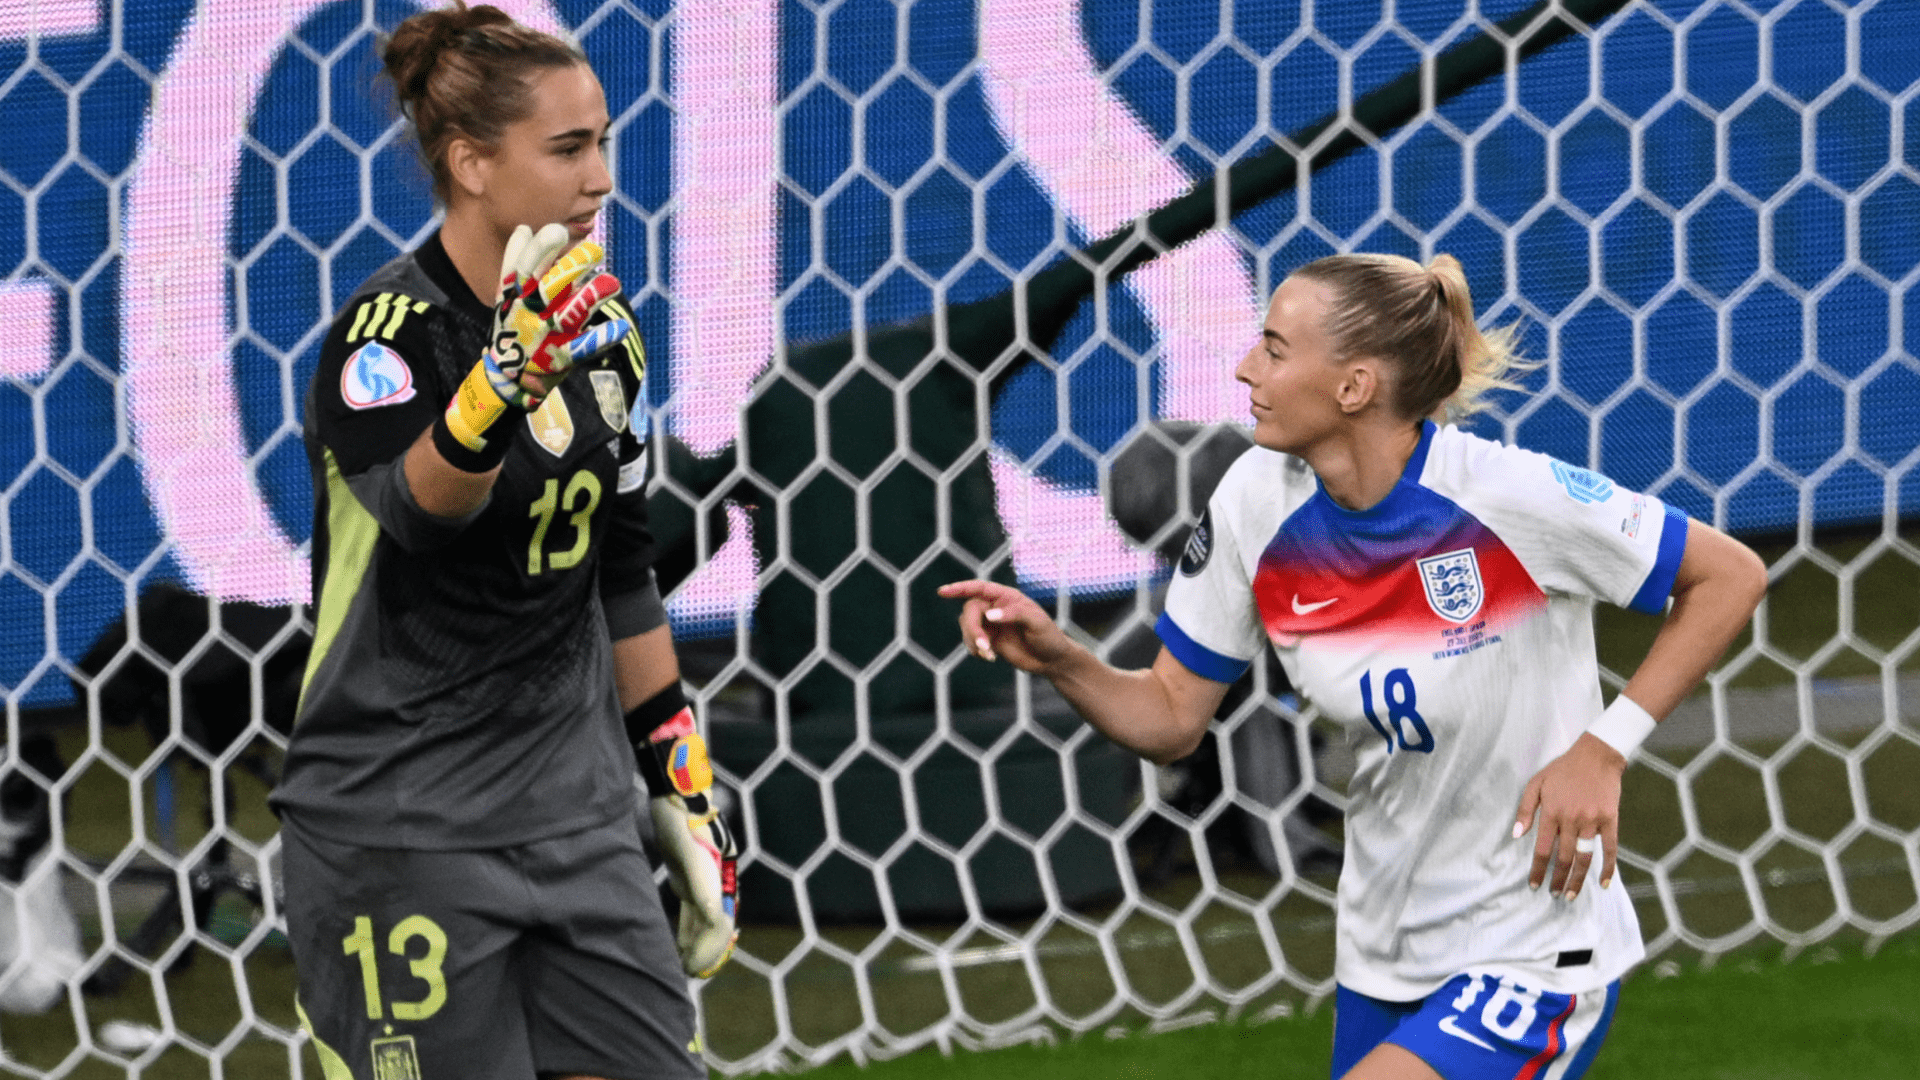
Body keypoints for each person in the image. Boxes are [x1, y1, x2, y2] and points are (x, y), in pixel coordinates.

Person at [941, 253, 1767, 1080]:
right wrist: (1059, 657)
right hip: (1382, 948)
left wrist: (1604, 747)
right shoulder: (1252, 504)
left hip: (1531, 947)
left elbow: (1730, 574)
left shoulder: (1505, 497)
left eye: (1273, 348)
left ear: (1353, 387)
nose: (1244, 368)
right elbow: (1168, 716)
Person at [271, 5, 737, 1078]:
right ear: (472, 164)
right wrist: (498, 385)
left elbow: (622, 568)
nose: (602, 177)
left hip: (576, 821)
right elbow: (422, 516)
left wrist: (682, 786)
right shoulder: (382, 338)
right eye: (570, 148)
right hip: (402, 829)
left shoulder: (604, 334)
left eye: (605, 141)